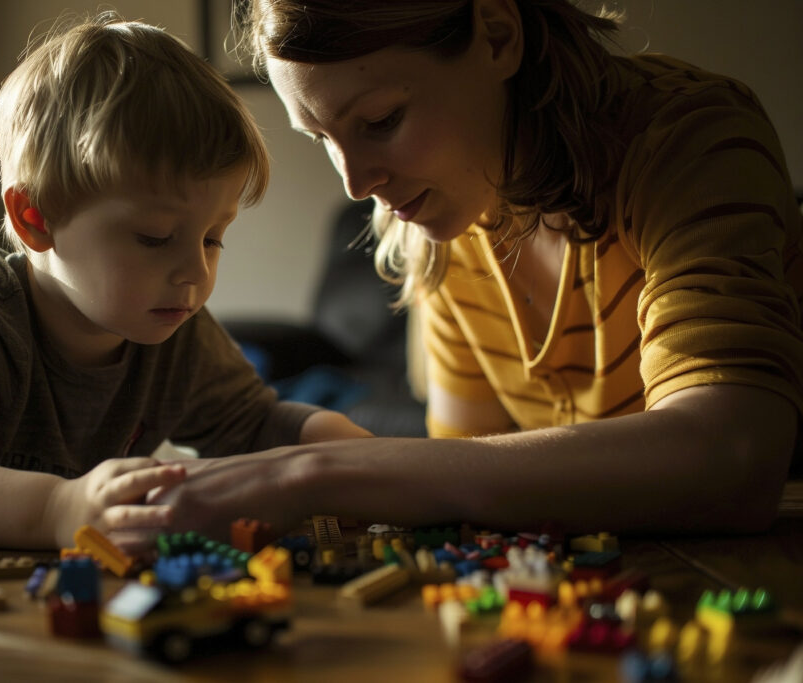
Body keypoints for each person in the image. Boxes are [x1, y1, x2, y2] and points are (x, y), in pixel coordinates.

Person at [149, 0, 803, 540]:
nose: (354, 182)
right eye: (321, 138)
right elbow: (473, 481)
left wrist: (318, 473)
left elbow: (733, 460)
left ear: (496, 35)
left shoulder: (692, 141)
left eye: (381, 120)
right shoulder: (440, 223)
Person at [0, 13, 370, 551]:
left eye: (213, 238)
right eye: (154, 237)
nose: (196, 272)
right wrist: (57, 509)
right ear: (36, 218)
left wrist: (337, 446)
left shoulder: (176, 331)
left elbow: (256, 423)